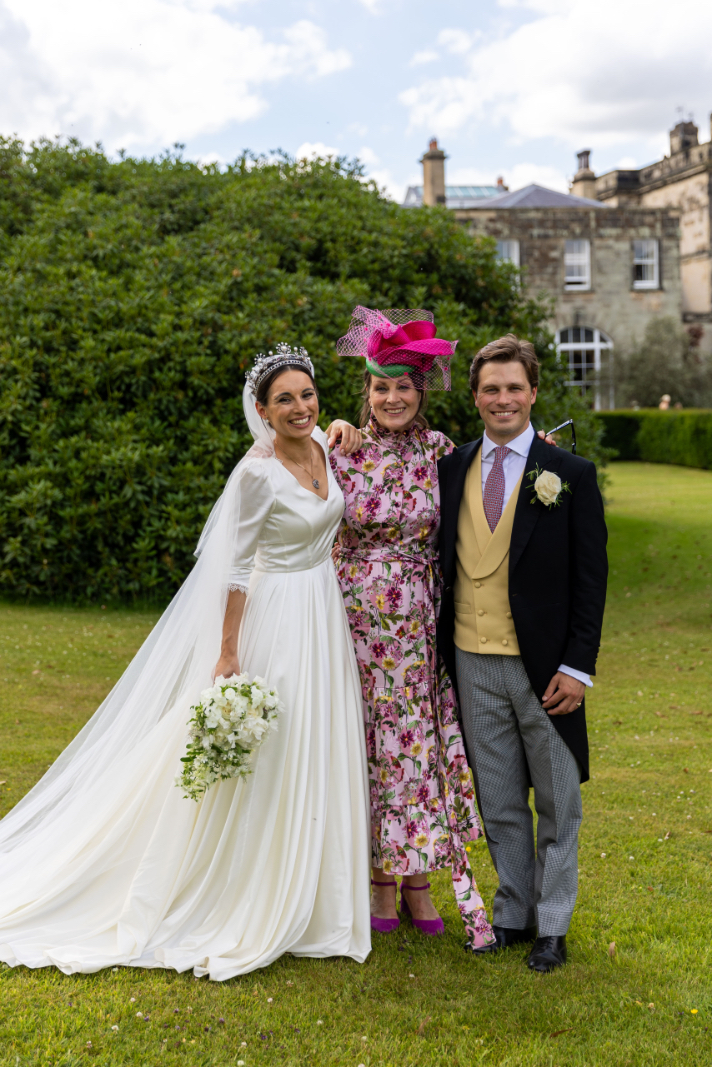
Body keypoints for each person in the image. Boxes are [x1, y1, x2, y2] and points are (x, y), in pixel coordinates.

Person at [0, 344, 371, 980]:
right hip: (277, 616)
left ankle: (318, 895)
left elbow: (352, 445)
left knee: (316, 738)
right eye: (284, 399)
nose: (300, 407)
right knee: (273, 747)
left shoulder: (323, 446)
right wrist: (227, 651)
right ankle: (248, 886)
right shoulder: (256, 475)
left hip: (323, 611)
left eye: (307, 395)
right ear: (262, 411)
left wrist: (342, 426)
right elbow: (234, 568)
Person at [437, 334, 608, 973]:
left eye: (514, 387)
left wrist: (577, 666)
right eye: (491, 388)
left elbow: (591, 579)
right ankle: (513, 912)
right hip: (471, 659)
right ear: (475, 397)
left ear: (533, 392)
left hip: (546, 667)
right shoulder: (451, 467)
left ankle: (553, 927)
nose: (502, 398)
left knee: (559, 802)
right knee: (500, 799)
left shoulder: (569, 474)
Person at [329, 307, 495, 951]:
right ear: (366, 392)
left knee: (417, 743)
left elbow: (489, 498)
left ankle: (418, 877)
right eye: (381, 386)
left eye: (404, 386)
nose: (392, 397)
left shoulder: (442, 451)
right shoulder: (341, 449)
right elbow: (277, 471)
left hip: (422, 623)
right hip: (354, 621)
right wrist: (330, 430)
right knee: (369, 742)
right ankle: (377, 877)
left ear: (422, 391)